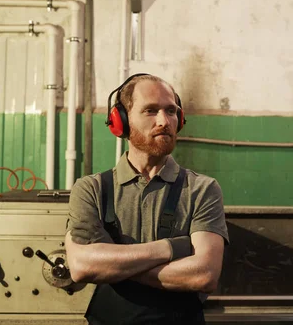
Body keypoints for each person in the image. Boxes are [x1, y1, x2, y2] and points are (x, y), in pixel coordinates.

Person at [65, 73, 229, 325]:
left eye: (171, 111)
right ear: (121, 121)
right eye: (151, 111)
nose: (164, 121)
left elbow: (204, 275)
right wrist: (171, 248)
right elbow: (82, 268)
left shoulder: (201, 189)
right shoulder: (91, 189)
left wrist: (112, 265)